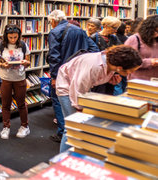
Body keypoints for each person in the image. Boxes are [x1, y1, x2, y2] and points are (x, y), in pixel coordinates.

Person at [56, 45, 142, 152]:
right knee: (72, 126)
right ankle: (62, 159)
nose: (131, 74)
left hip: (79, 87)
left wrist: (110, 78)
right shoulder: (94, 66)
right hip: (66, 87)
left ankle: (75, 151)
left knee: (80, 124)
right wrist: (79, 109)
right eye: (130, 71)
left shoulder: (111, 64)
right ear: (120, 67)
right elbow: (77, 89)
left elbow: (90, 82)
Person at [47, 10, 99, 143]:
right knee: (77, 100)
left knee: (58, 101)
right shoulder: (80, 30)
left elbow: (54, 56)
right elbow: (94, 50)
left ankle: (62, 132)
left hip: (63, 74)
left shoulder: (55, 32)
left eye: (50, 22)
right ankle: (76, 130)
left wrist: (54, 76)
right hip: (80, 73)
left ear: (53, 20)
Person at [0, 25, 31, 140]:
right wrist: (2, 64)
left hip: (19, 78)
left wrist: (25, 63)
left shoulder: (23, 45)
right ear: (6, 36)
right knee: (6, 104)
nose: (13, 40)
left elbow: (28, 61)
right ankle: (6, 127)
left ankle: (25, 126)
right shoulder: (1, 45)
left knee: (21, 103)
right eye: (10, 37)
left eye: (15, 37)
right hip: (5, 78)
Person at [90, 16, 122, 95]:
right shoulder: (94, 37)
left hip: (110, 71)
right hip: (98, 72)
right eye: (114, 28)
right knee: (98, 94)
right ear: (105, 26)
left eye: (117, 28)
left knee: (109, 94)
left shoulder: (114, 38)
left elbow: (120, 50)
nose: (115, 30)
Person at [125, 15, 158, 80]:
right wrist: (150, 62)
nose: (157, 34)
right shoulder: (134, 39)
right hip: (139, 81)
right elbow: (127, 61)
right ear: (148, 29)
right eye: (155, 31)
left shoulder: (156, 40)